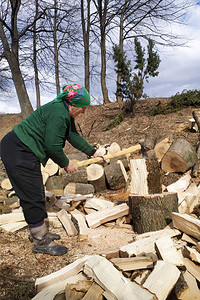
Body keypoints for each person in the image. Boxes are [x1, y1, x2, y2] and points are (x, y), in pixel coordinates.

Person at [0, 84, 103, 256]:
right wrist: (66, 164)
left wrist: (93, 151)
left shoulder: (64, 112)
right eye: (83, 108)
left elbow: (73, 135)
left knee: (37, 191)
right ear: (73, 105)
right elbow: (52, 147)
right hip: (18, 150)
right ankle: (41, 241)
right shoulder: (58, 113)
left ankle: (42, 232)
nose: (84, 112)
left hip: (24, 150)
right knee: (32, 194)